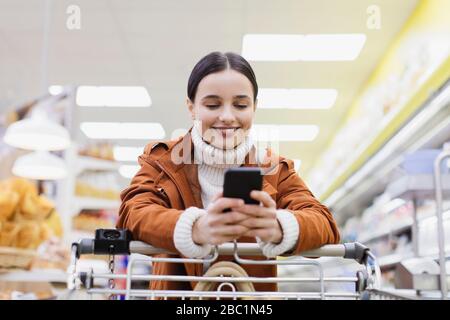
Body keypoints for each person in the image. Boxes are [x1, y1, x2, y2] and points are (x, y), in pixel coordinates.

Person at [117, 51, 340, 292]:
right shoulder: (162, 161)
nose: (226, 116)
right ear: (191, 107)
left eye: (241, 105)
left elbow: (324, 224)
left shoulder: (275, 169)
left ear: (254, 107)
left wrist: (279, 227)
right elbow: (132, 213)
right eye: (212, 104)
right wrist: (196, 228)